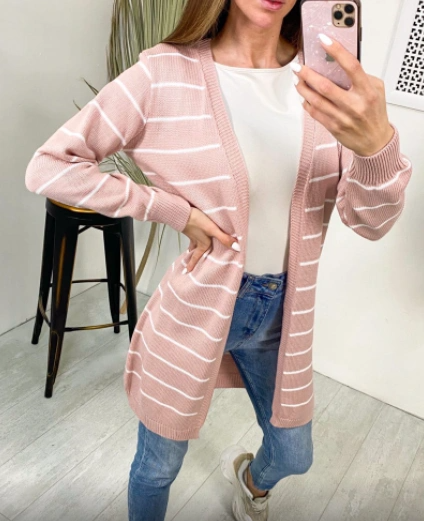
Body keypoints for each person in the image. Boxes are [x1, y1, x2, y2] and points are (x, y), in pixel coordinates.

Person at [25, 1, 412, 520]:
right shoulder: (165, 73)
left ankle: (250, 481)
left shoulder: (327, 84)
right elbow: (49, 166)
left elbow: (369, 223)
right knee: (158, 467)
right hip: (196, 309)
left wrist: (376, 148)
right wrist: (171, 210)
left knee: (294, 455)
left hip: (283, 317)